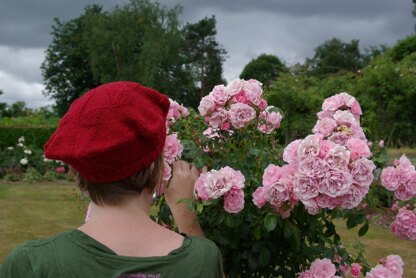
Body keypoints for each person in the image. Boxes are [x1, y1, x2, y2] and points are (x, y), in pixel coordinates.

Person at [0, 82, 224, 277]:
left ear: (79, 169)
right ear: (155, 165)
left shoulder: (32, 264)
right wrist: (185, 213)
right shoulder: (201, 258)